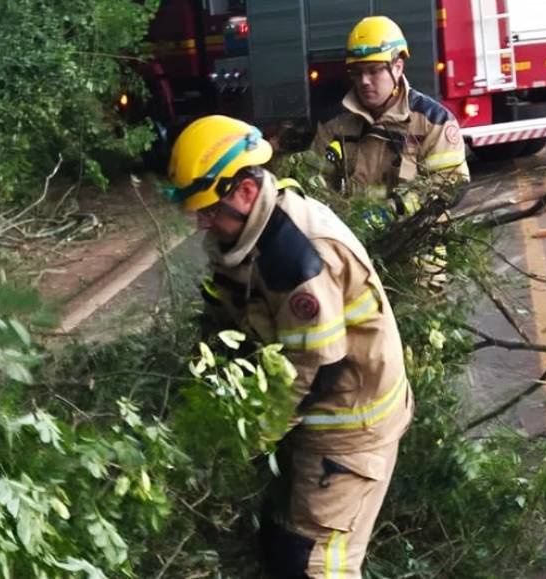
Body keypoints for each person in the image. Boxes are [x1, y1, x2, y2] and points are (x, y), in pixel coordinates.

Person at [166, 114, 413, 578]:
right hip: (314, 417)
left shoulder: (294, 257)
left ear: (243, 191)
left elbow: (318, 364)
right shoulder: (250, 235)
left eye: (209, 212)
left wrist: (253, 435)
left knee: (316, 564)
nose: (204, 225)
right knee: (281, 544)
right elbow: (228, 318)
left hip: (349, 426)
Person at [311, 15, 470, 205]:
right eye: (357, 72)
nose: (364, 81)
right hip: (351, 233)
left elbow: (450, 183)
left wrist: (396, 209)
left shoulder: (433, 121)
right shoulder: (334, 125)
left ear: (397, 67)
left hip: (414, 231)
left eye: (374, 70)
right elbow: (315, 184)